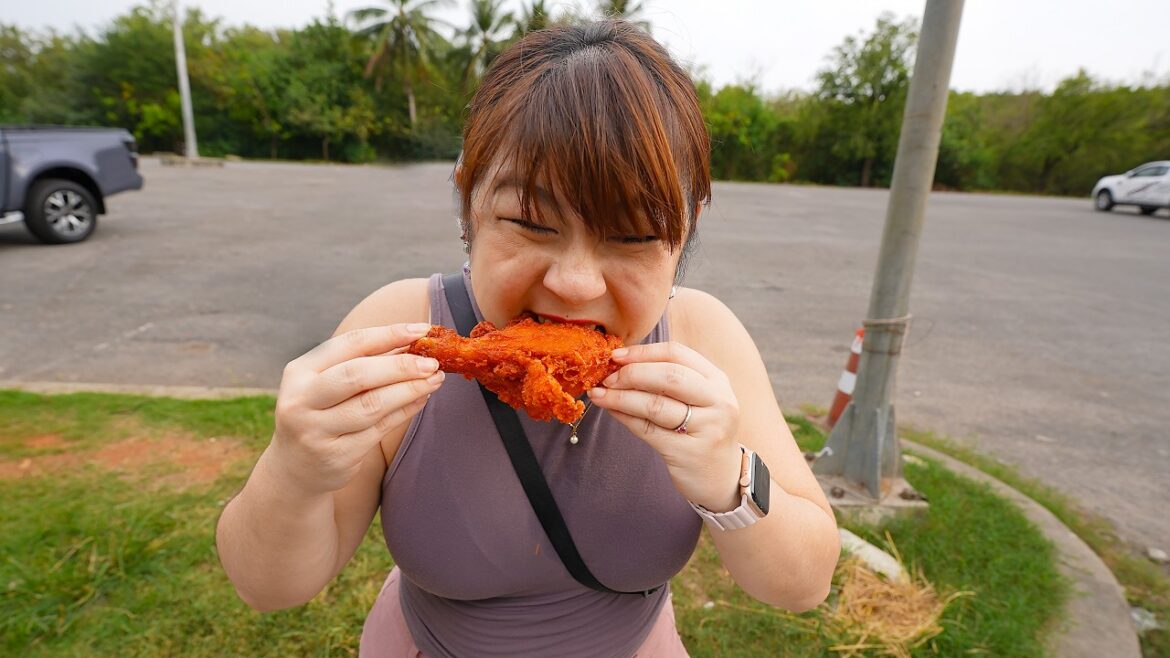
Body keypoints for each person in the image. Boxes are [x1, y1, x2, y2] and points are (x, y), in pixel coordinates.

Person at [216, 19, 839, 657]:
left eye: (632, 236)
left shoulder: (705, 339)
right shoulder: (399, 331)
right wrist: (293, 471)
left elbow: (804, 585)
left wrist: (728, 474)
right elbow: (268, 588)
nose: (574, 283)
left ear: (684, 233)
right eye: (529, 223)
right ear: (469, 203)